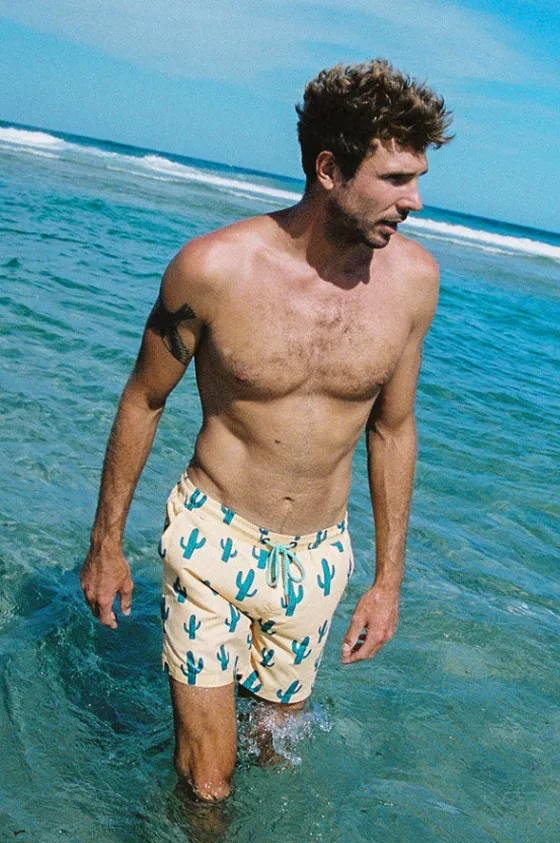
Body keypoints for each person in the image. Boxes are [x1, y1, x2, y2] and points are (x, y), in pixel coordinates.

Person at [80, 59, 452, 802]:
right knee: (209, 781)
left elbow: (393, 429)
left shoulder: (413, 283)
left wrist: (388, 581)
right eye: (395, 179)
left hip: (318, 559)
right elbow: (143, 400)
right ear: (329, 169)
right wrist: (106, 543)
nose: (414, 200)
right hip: (211, 540)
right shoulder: (213, 269)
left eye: (417, 179)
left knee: (275, 760)